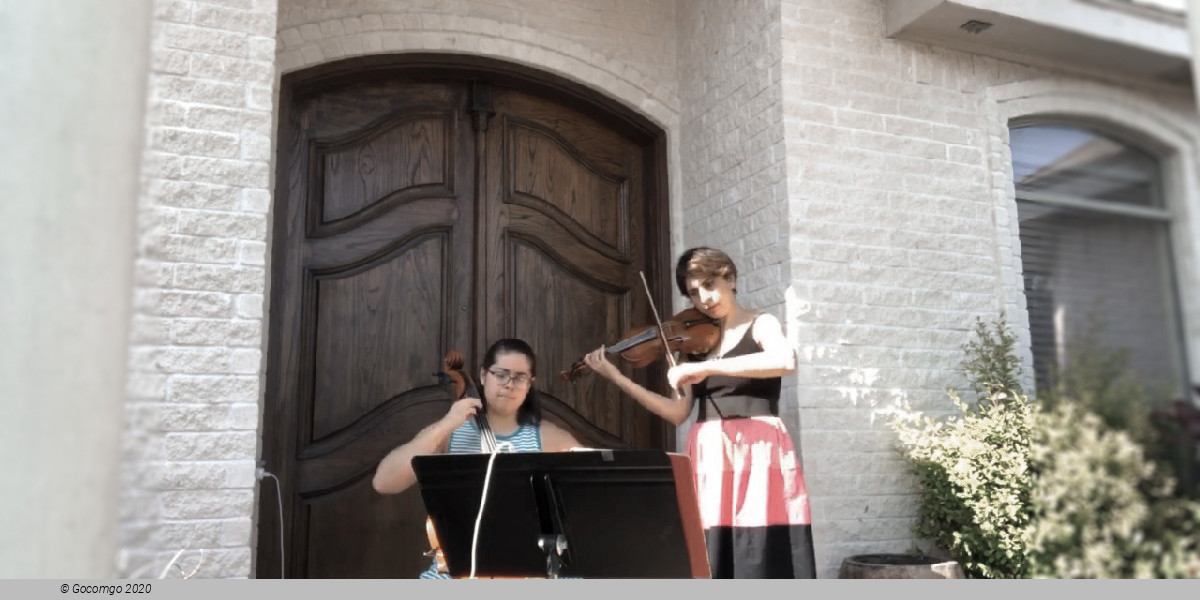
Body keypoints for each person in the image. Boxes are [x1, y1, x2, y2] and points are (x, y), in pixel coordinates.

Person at [583, 247, 816, 578]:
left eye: (710, 284)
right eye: (693, 292)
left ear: (730, 278)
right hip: (710, 454)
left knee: (760, 549)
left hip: (758, 449)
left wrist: (711, 368)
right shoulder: (694, 346)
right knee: (710, 551)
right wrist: (617, 378)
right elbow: (678, 412)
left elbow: (785, 360)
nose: (704, 298)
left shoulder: (760, 324)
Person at [372, 338, 582, 578]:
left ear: (530, 384)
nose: (509, 384)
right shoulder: (449, 433)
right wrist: (447, 424)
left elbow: (588, 498)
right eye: (501, 374)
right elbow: (384, 482)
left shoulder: (551, 437)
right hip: (456, 574)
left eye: (520, 377)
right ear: (483, 376)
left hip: (529, 573)